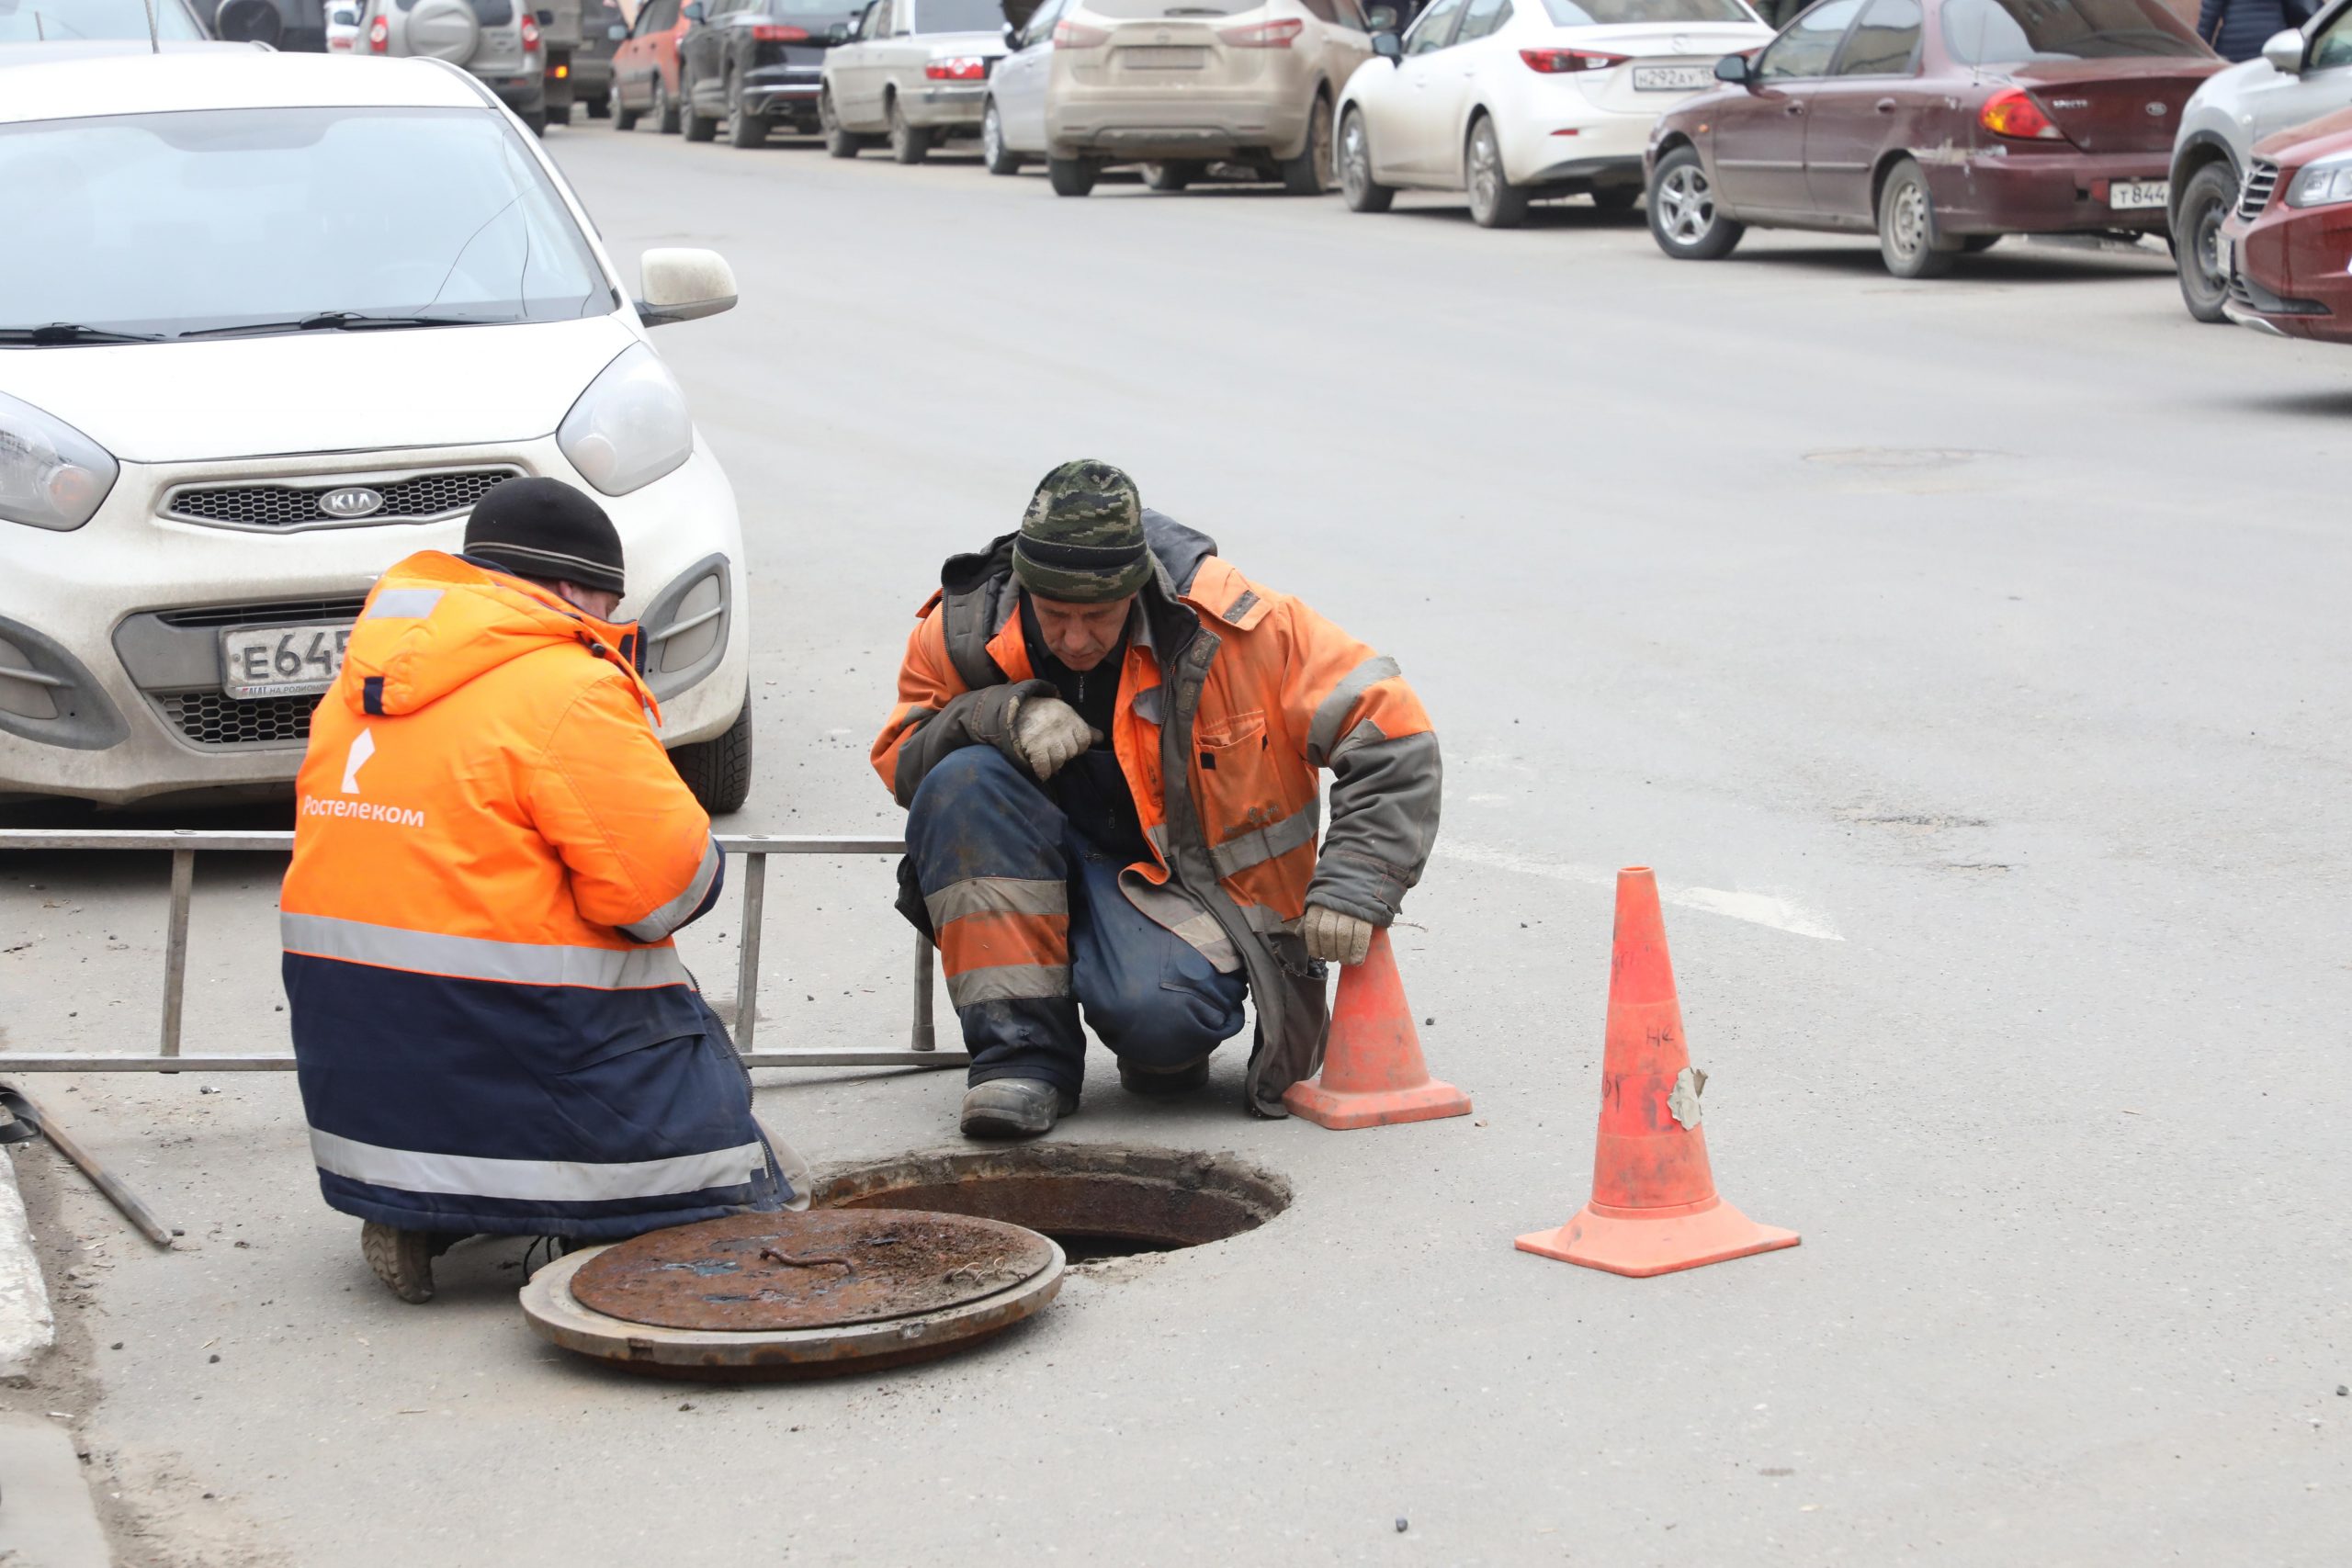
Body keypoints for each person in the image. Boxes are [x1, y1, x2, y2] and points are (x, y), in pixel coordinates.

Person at [280, 478, 796, 1303]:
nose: (605, 623)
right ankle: (592, 1213)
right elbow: (665, 892)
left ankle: (419, 1211)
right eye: (604, 601)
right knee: (728, 1154)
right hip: (510, 1034)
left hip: (360, 1092)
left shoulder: (355, 691)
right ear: (566, 589)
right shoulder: (565, 685)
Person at [872, 460, 1442, 1138]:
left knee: (1163, 1025)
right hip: (1027, 853)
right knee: (960, 780)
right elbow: (904, 761)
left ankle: (1152, 1024)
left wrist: (1353, 885)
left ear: (1137, 588)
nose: (1076, 639)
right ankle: (1021, 1059)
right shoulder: (965, 628)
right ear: (1024, 587)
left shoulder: (1239, 629)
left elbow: (1394, 735)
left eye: (1099, 616)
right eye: (1055, 615)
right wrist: (1002, 714)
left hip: (1176, 887)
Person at [2196, 0, 2311, 62]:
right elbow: (2300, 10)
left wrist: (2198, 54)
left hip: (2232, 52)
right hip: (2272, 48)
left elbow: (2208, 18)